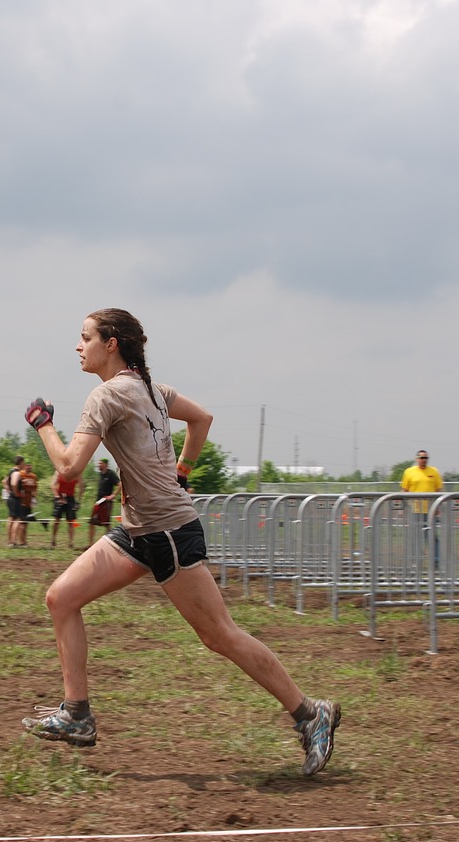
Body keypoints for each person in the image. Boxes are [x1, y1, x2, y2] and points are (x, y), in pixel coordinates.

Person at [20, 307, 340, 776]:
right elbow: (203, 419)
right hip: (137, 531)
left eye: (84, 337)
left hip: (168, 532)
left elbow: (68, 467)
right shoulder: (153, 389)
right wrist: (182, 473)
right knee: (61, 598)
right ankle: (77, 715)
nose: (77, 345)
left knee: (219, 635)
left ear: (111, 343)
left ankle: (311, 714)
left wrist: (43, 424)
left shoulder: (106, 396)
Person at [400, 450, 443, 568]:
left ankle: (436, 561)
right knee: (416, 537)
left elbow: (438, 489)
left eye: (426, 458)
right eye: (421, 457)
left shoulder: (434, 471)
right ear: (417, 459)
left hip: (430, 510)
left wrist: (438, 506)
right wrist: (403, 507)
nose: (424, 460)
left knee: (432, 537)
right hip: (415, 510)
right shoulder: (409, 472)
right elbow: (404, 490)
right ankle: (416, 561)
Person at [87, 458, 120, 548]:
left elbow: (120, 485)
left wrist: (113, 495)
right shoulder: (101, 475)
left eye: (100, 463)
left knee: (106, 524)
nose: (98, 465)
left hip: (106, 503)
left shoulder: (111, 474)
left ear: (105, 464)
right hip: (98, 502)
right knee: (92, 522)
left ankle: (111, 544)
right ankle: (90, 544)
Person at [50, 468, 83, 549]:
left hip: (70, 498)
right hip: (60, 496)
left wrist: (78, 500)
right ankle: (53, 539)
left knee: (71, 521)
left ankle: (71, 542)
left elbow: (82, 486)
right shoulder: (59, 471)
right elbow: (52, 485)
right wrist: (57, 497)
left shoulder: (76, 473)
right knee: (57, 520)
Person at [3, 456, 26, 547]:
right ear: (20, 463)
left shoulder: (10, 471)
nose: (24, 464)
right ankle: (13, 541)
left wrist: (9, 491)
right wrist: (16, 493)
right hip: (15, 499)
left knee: (11, 519)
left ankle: (10, 541)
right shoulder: (17, 473)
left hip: (11, 498)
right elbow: (13, 483)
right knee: (17, 519)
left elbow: (4, 481)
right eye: (23, 463)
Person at [17, 463, 39, 546]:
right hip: (21, 502)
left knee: (26, 522)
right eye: (27, 465)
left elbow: (35, 488)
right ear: (24, 466)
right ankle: (21, 541)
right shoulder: (20, 474)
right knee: (21, 522)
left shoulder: (33, 476)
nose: (29, 467)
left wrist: (34, 497)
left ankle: (24, 541)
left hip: (29, 502)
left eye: (30, 466)